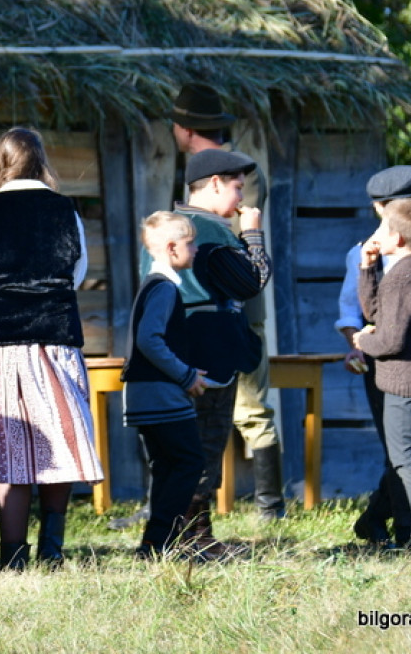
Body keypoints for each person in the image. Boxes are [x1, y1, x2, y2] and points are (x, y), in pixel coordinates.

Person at [0, 127, 104, 570]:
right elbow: (76, 272)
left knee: (10, 449)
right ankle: (52, 549)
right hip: (55, 338)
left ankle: (13, 556)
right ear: (41, 162)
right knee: (60, 443)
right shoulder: (65, 211)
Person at [143, 148, 270, 557]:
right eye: (237, 188)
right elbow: (253, 282)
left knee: (191, 447)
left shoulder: (180, 226)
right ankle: (193, 540)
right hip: (206, 353)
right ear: (215, 183)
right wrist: (253, 233)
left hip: (184, 352)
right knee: (203, 445)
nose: (242, 198)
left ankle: (189, 536)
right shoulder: (210, 231)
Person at [170, 83, 285, 520]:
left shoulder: (240, 173)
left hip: (235, 306)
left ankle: (269, 506)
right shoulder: (203, 177)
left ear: (184, 129)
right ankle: (181, 509)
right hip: (199, 314)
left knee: (248, 406)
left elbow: (239, 248)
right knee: (191, 417)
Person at [337, 165, 411, 546]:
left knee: (409, 453)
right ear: (381, 209)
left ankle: (408, 532)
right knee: (402, 452)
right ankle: (399, 527)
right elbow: (354, 312)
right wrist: (356, 343)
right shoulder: (363, 252)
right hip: (380, 361)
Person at [122, 212, 207, 559]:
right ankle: (161, 541)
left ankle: (154, 544)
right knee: (189, 462)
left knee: (168, 466)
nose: (196, 249)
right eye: (191, 243)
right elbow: (149, 340)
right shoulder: (164, 288)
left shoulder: (154, 284)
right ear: (172, 248)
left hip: (145, 395)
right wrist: (186, 375)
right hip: (161, 395)